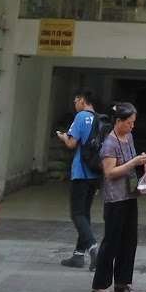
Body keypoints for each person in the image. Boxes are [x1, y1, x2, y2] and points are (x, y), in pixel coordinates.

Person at [92, 102, 146, 292]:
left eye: (133, 122)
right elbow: (110, 173)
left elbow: (129, 163)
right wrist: (133, 162)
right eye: (129, 122)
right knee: (111, 242)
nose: (132, 126)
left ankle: (123, 282)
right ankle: (100, 286)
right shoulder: (110, 143)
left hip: (130, 195)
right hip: (115, 199)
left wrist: (141, 161)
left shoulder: (129, 137)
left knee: (129, 240)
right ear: (118, 121)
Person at [55, 88, 99, 269]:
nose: (74, 105)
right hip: (96, 173)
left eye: (75, 101)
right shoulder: (100, 119)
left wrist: (63, 137)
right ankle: (78, 255)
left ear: (82, 100)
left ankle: (93, 248)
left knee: (77, 214)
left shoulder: (81, 117)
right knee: (85, 213)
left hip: (81, 172)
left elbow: (72, 143)